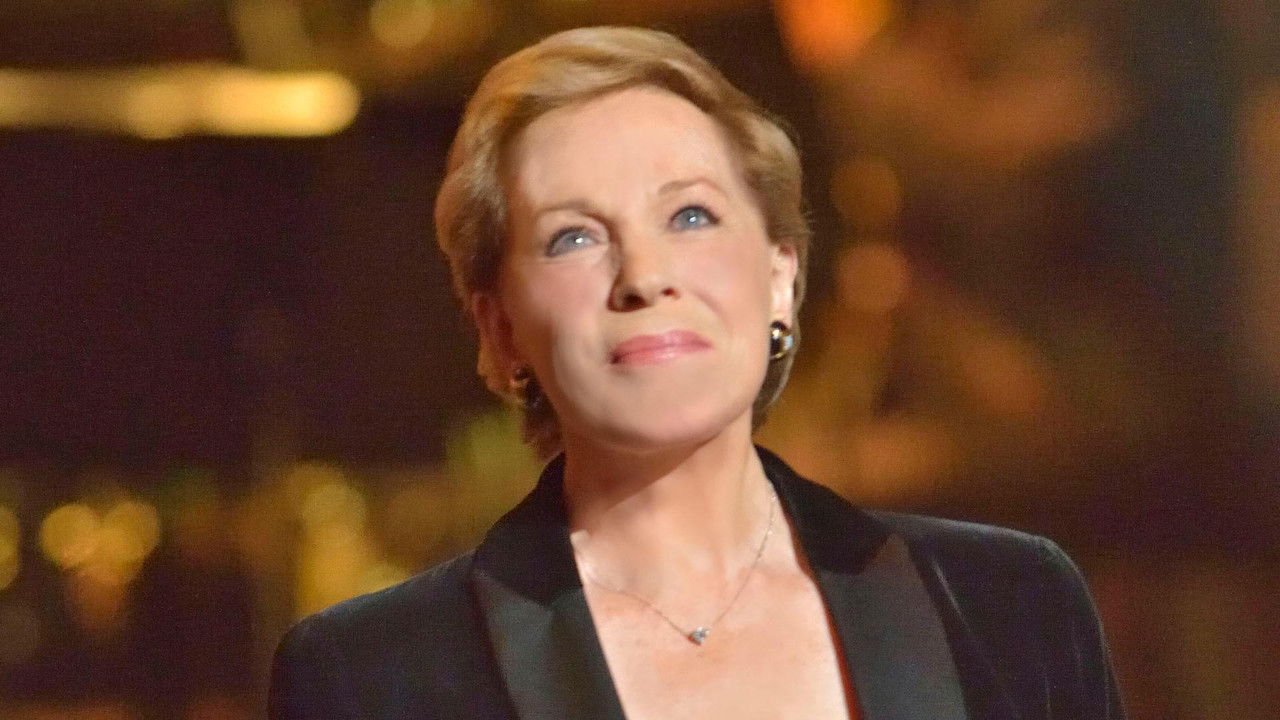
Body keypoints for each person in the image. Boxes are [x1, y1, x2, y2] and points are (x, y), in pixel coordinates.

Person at [268, 26, 1124, 720]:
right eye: (574, 236)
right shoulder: (372, 676)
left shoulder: (1010, 607)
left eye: (690, 215)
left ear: (781, 276)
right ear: (501, 330)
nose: (644, 276)